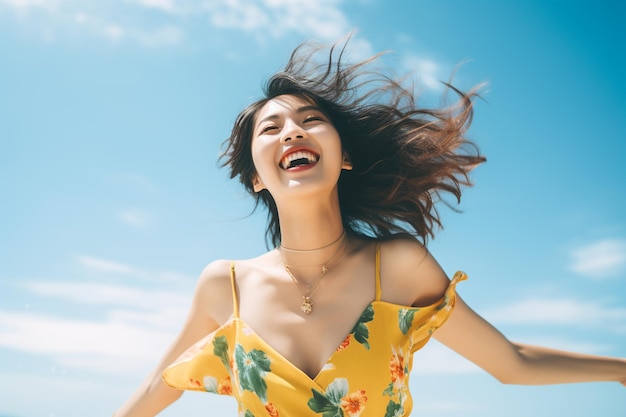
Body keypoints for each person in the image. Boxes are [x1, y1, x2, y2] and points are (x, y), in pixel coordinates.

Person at [114, 39, 626, 417]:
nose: (292, 129)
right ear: (254, 178)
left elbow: (510, 364)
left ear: (346, 157)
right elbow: (159, 388)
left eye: (310, 120)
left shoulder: (398, 267)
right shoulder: (223, 285)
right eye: (271, 128)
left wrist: (621, 370)